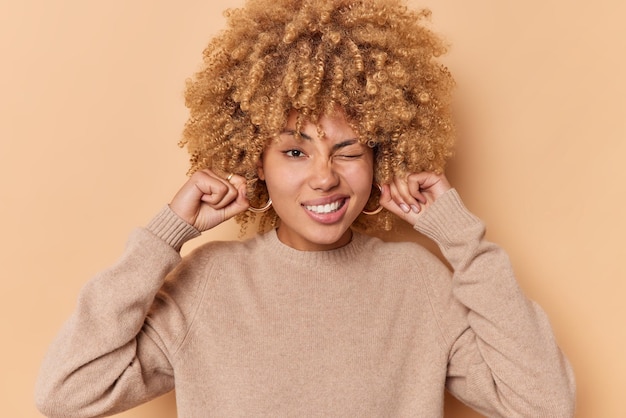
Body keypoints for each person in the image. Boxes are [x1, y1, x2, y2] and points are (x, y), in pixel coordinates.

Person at [35, 0, 576, 416]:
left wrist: (462, 239)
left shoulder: (417, 284)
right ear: (255, 161)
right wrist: (164, 237)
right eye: (295, 151)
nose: (324, 176)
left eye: (349, 150)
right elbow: (66, 391)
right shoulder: (207, 284)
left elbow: (544, 404)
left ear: (383, 159)